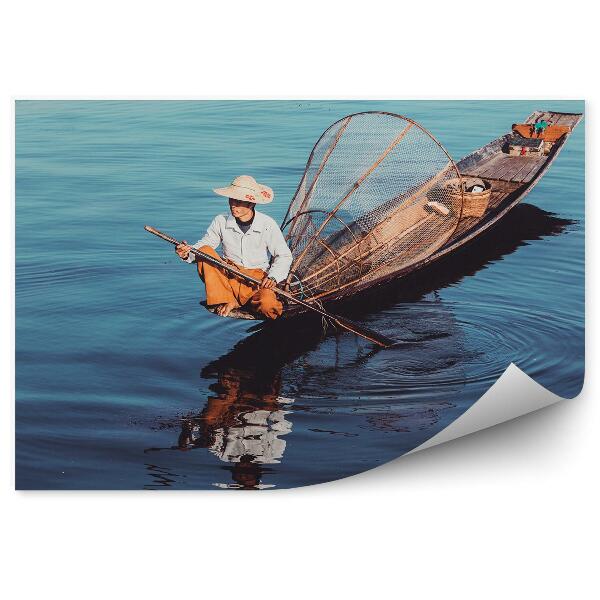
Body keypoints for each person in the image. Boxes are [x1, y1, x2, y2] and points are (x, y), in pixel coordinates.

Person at [175, 175, 293, 319]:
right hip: (229, 276)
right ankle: (227, 299)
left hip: (257, 280)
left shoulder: (267, 224)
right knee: (204, 250)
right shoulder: (220, 221)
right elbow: (205, 244)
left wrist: (273, 277)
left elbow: (284, 256)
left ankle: (237, 301)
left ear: (251, 203)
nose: (233, 205)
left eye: (239, 201)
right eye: (231, 199)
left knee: (268, 306)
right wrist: (187, 252)